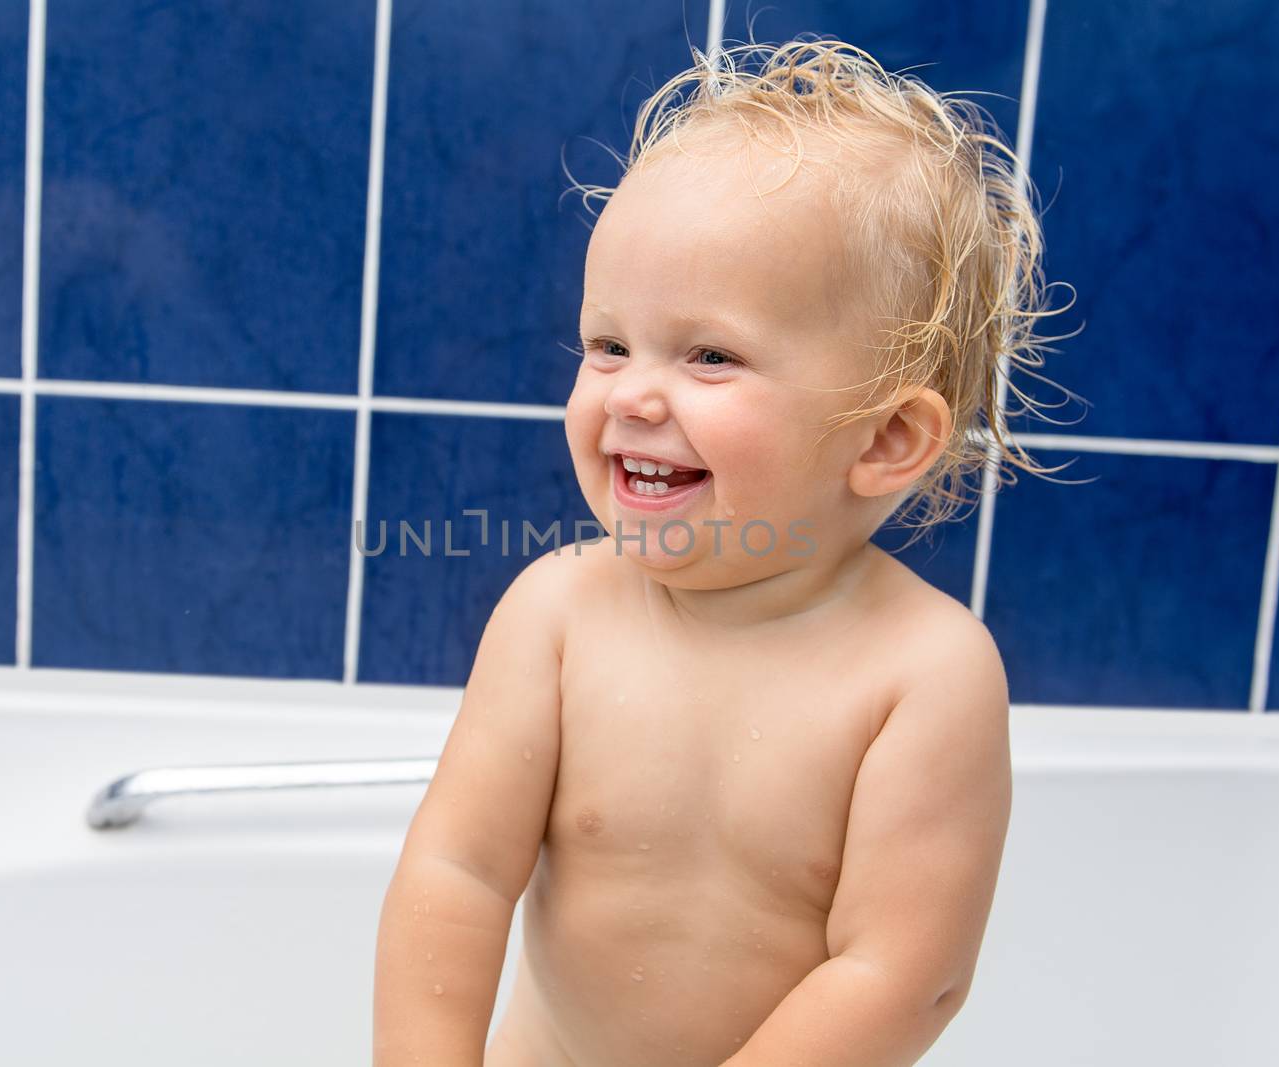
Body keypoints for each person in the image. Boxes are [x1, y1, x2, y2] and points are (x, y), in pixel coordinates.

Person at [374, 36, 1075, 1066]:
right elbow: (457, 869)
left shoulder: (922, 676)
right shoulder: (558, 613)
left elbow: (896, 971)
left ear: (884, 439)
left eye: (709, 355)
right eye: (609, 342)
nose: (632, 392)